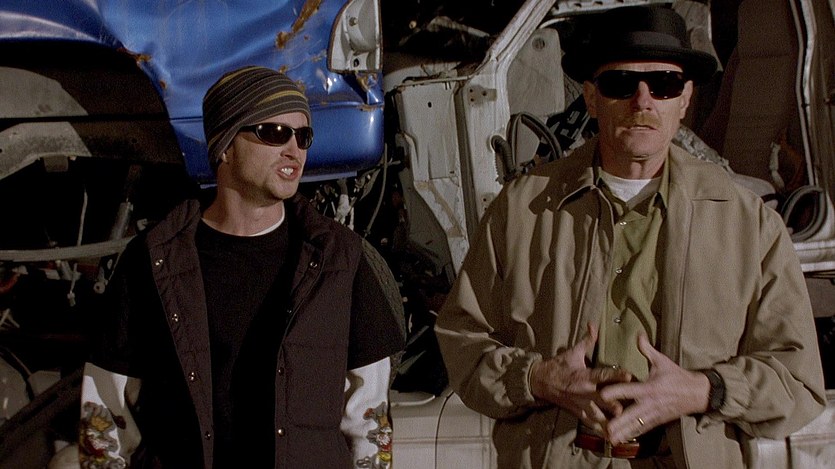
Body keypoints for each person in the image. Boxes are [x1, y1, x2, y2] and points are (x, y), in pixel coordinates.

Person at [434, 5, 825, 468]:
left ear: (685, 99)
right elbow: (462, 344)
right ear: (591, 98)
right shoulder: (522, 211)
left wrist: (703, 390)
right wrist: (537, 378)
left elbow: (797, 382)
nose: (643, 101)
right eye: (621, 84)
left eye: (664, 84)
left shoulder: (749, 223)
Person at [78, 66, 405, 468]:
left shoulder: (340, 259)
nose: (294, 150)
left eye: (303, 136)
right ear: (225, 146)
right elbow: (105, 409)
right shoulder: (155, 259)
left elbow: (370, 417)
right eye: (274, 133)